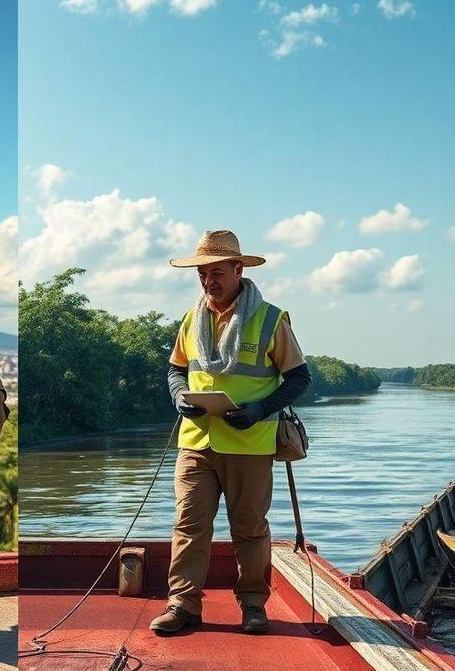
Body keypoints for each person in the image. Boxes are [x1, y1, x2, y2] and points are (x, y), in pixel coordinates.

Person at [149, 230, 311, 636]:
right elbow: (176, 369)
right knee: (188, 525)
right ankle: (183, 605)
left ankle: (253, 605)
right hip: (196, 441)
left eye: (216, 273)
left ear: (238, 270)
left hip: (250, 443)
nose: (208, 282)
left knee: (250, 528)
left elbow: (299, 378)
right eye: (202, 274)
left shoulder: (271, 318)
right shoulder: (191, 318)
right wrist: (176, 396)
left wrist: (259, 409)